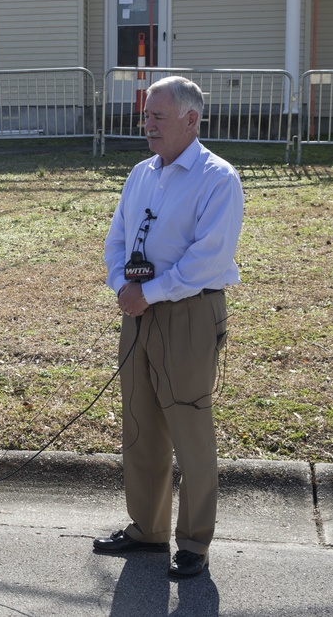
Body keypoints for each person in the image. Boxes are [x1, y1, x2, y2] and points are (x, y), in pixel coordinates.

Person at [97, 75, 244, 578]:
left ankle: (194, 543)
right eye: (145, 115)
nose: (148, 124)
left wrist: (147, 293)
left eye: (158, 116)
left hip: (187, 313)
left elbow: (208, 259)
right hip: (136, 311)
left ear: (190, 120)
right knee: (140, 424)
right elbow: (116, 238)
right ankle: (148, 530)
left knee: (189, 427)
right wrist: (121, 285)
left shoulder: (217, 178)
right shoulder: (141, 173)